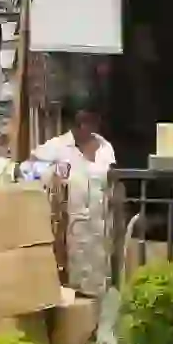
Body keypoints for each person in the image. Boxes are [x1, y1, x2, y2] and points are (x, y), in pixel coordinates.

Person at [28, 100, 115, 296]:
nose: (85, 127)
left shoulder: (105, 147)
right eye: (80, 122)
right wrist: (51, 174)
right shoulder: (57, 147)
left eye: (90, 122)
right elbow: (28, 170)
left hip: (100, 231)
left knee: (100, 287)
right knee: (73, 288)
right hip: (70, 230)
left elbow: (112, 181)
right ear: (71, 124)